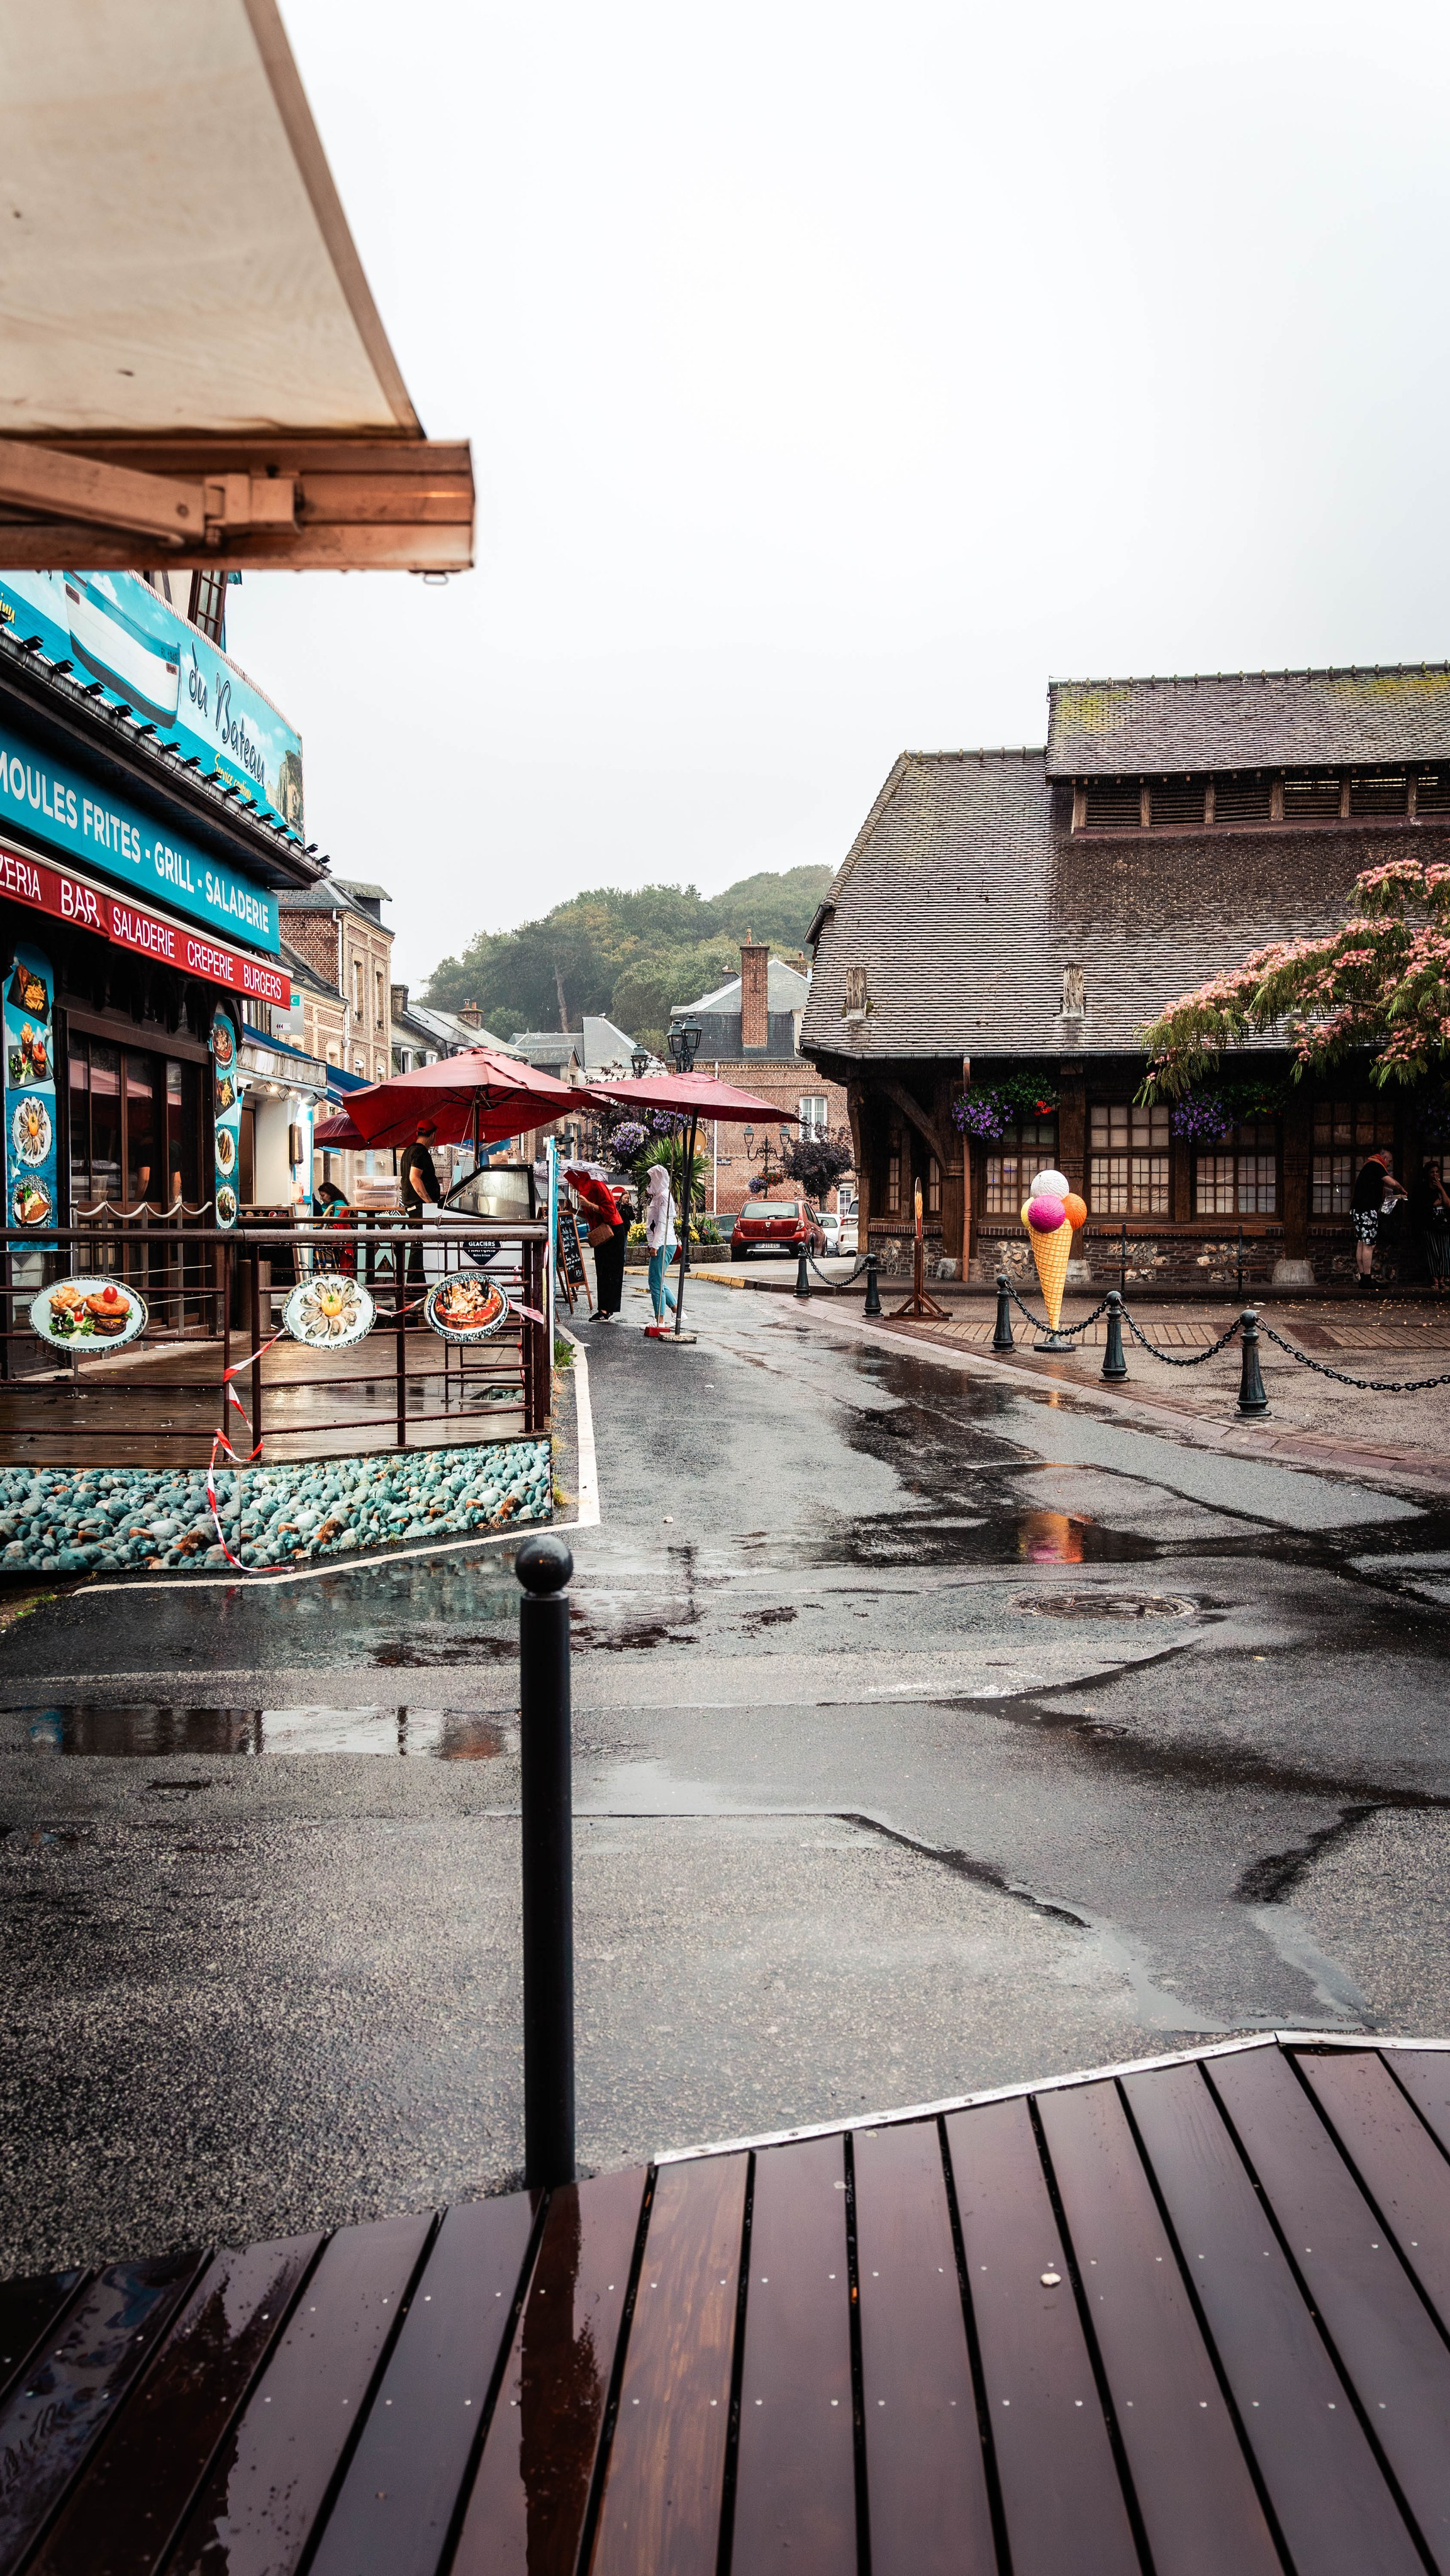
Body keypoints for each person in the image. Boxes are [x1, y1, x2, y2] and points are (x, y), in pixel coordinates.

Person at [566, 1165, 627, 1319]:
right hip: (600, 1232)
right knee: (602, 1270)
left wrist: (588, 1204)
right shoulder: (583, 1192)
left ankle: (606, 1310)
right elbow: (590, 1216)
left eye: (572, 1182)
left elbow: (610, 1211)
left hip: (613, 1231)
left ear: (580, 1180)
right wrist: (572, 1210)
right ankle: (605, 1309)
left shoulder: (598, 1187)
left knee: (610, 1271)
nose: (571, 1185)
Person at [1351, 1146, 1406, 1289]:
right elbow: (1391, 1182)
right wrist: (1400, 1188)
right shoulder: (1377, 1165)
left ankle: (1363, 1278)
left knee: (1361, 1242)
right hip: (1367, 1209)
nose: (1389, 1165)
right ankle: (1367, 1278)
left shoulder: (1369, 1166)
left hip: (1358, 1209)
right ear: (1385, 1158)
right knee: (1369, 1244)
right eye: (1390, 1161)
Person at [400, 1119, 442, 1292]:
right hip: (420, 1207)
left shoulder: (408, 1151)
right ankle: (413, 1287)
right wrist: (429, 1202)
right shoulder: (421, 1152)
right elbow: (414, 1177)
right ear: (433, 1135)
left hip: (412, 1205)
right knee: (419, 1246)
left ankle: (416, 1285)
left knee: (419, 1245)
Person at [644, 1162, 678, 1335]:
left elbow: (662, 1224)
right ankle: (677, 1312)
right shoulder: (660, 1196)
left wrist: (655, 1245)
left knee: (656, 1282)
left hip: (664, 1243)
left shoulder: (663, 1197)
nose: (649, 1182)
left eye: (652, 1179)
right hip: (664, 1243)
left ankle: (660, 1320)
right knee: (658, 1280)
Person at [1409, 1155, 1450, 1289]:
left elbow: (1448, 1204)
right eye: (1432, 1172)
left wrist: (1441, 1189)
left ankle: (1443, 1278)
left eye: (1437, 1172)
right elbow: (1418, 1209)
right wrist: (1433, 1205)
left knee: (1444, 1251)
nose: (1435, 1175)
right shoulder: (1422, 1189)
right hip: (1429, 1222)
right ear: (1428, 1174)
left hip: (1444, 1222)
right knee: (1433, 1251)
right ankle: (1435, 1279)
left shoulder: (1445, 1187)